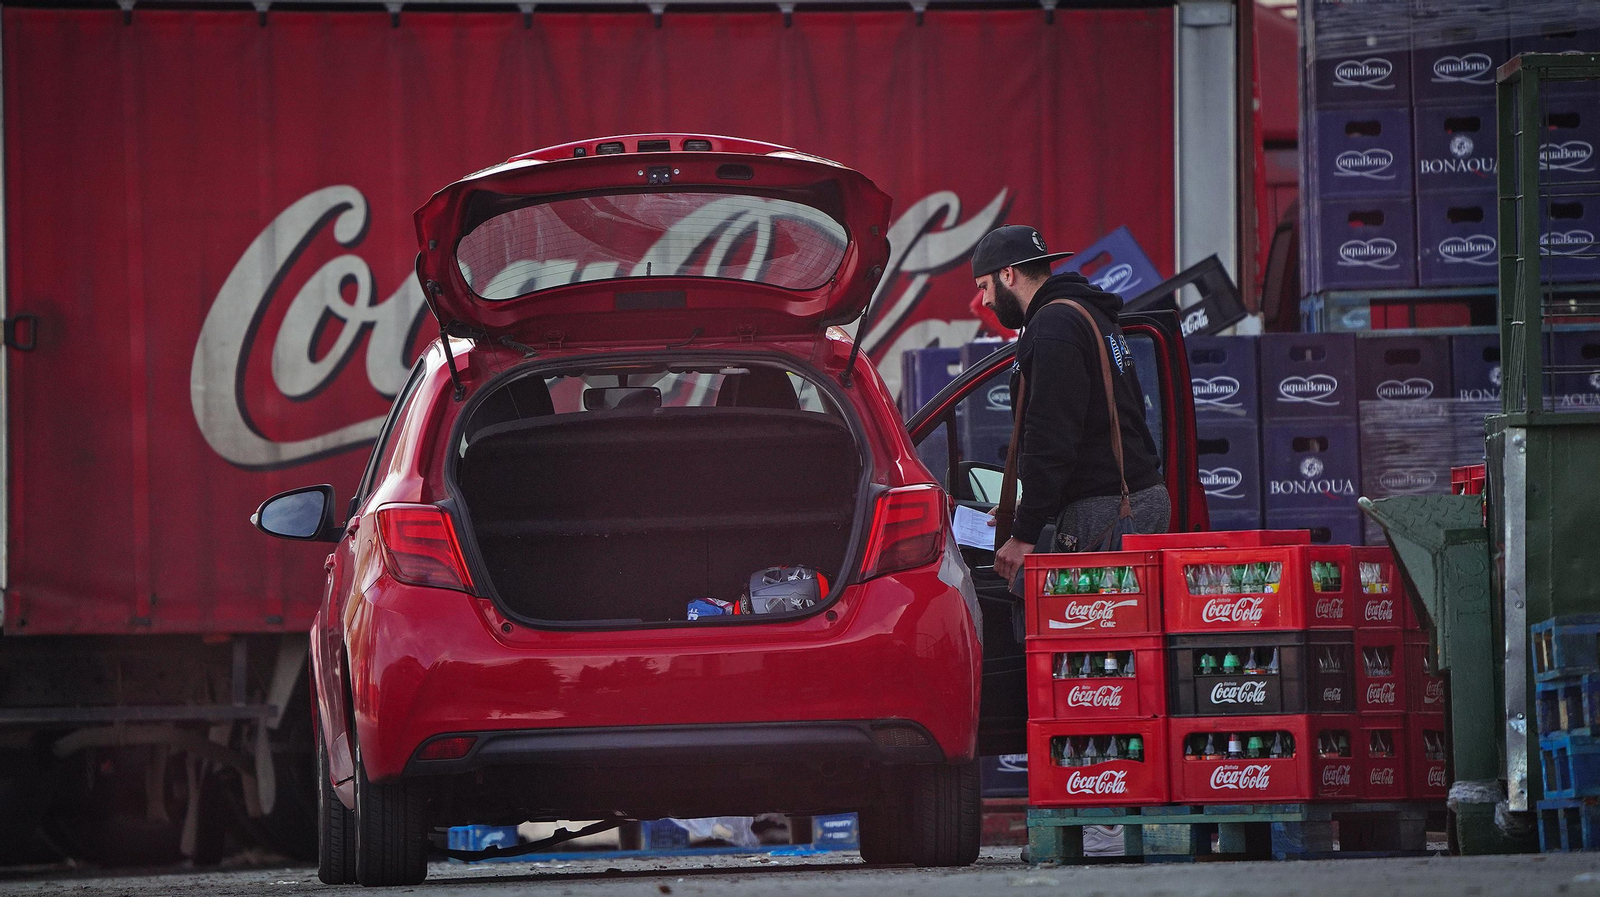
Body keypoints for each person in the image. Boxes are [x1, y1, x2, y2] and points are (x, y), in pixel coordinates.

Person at [970, 225, 1170, 583]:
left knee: (1088, 636)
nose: (985, 300)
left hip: (1106, 511)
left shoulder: (1053, 326)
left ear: (1007, 274)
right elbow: (1100, 420)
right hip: (1131, 500)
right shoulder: (1088, 313)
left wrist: (1025, 533)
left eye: (984, 286)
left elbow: (1052, 436)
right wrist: (1025, 507)